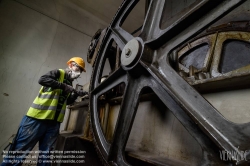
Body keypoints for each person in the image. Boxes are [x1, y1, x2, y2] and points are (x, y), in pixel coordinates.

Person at [1, 57, 88, 166]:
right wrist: (63, 86)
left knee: (45, 157)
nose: (78, 72)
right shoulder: (58, 73)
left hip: (53, 124)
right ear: (70, 65)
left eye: (80, 70)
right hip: (37, 119)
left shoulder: (70, 84)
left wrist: (75, 94)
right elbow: (42, 79)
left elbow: (66, 102)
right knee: (19, 153)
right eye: (78, 68)